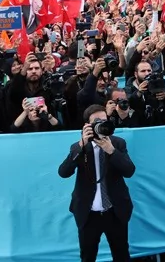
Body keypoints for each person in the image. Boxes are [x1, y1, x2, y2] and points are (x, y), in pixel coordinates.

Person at [58, 104, 136, 262]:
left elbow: (129, 171)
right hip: (88, 213)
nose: (102, 124)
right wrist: (81, 146)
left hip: (115, 211)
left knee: (122, 254)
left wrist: (111, 151)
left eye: (104, 120)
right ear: (87, 125)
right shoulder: (78, 147)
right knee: (87, 256)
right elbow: (63, 172)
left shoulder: (118, 143)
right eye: (97, 121)